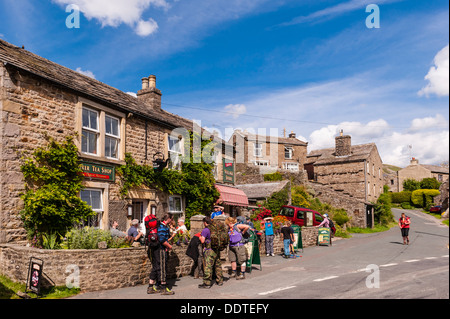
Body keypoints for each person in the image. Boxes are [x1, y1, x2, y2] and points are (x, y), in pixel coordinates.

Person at [147, 213, 175, 295]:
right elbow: (162, 240)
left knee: (156, 267)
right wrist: (169, 246)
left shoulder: (159, 226)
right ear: (168, 219)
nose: (172, 220)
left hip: (155, 249)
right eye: (171, 219)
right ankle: (163, 288)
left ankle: (150, 287)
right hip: (161, 250)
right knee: (162, 267)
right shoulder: (162, 227)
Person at [198, 217, 223, 288]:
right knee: (217, 265)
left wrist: (200, 238)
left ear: (205, 222)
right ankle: (220, 280)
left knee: (208, 266)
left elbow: (202, 241)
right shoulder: (216, 229)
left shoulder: (206, 230)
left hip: (209, 250)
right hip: (216, 249)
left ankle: (207, 283)